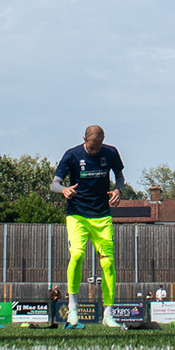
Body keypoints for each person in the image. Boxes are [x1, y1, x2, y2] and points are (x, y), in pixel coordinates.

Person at [51, 124, 125, 329]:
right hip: (77, 215)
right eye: (92, 146)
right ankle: (73, 309)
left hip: (101, 216)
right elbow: (54, 183)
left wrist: (118, 189)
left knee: (108, 264)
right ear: (84, 139)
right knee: (77, 255)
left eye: (98, 146)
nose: (95, 150)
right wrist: (63, 190)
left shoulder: (110, 153)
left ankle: (108, 314)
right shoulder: (72, 155)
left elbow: (120, 177)